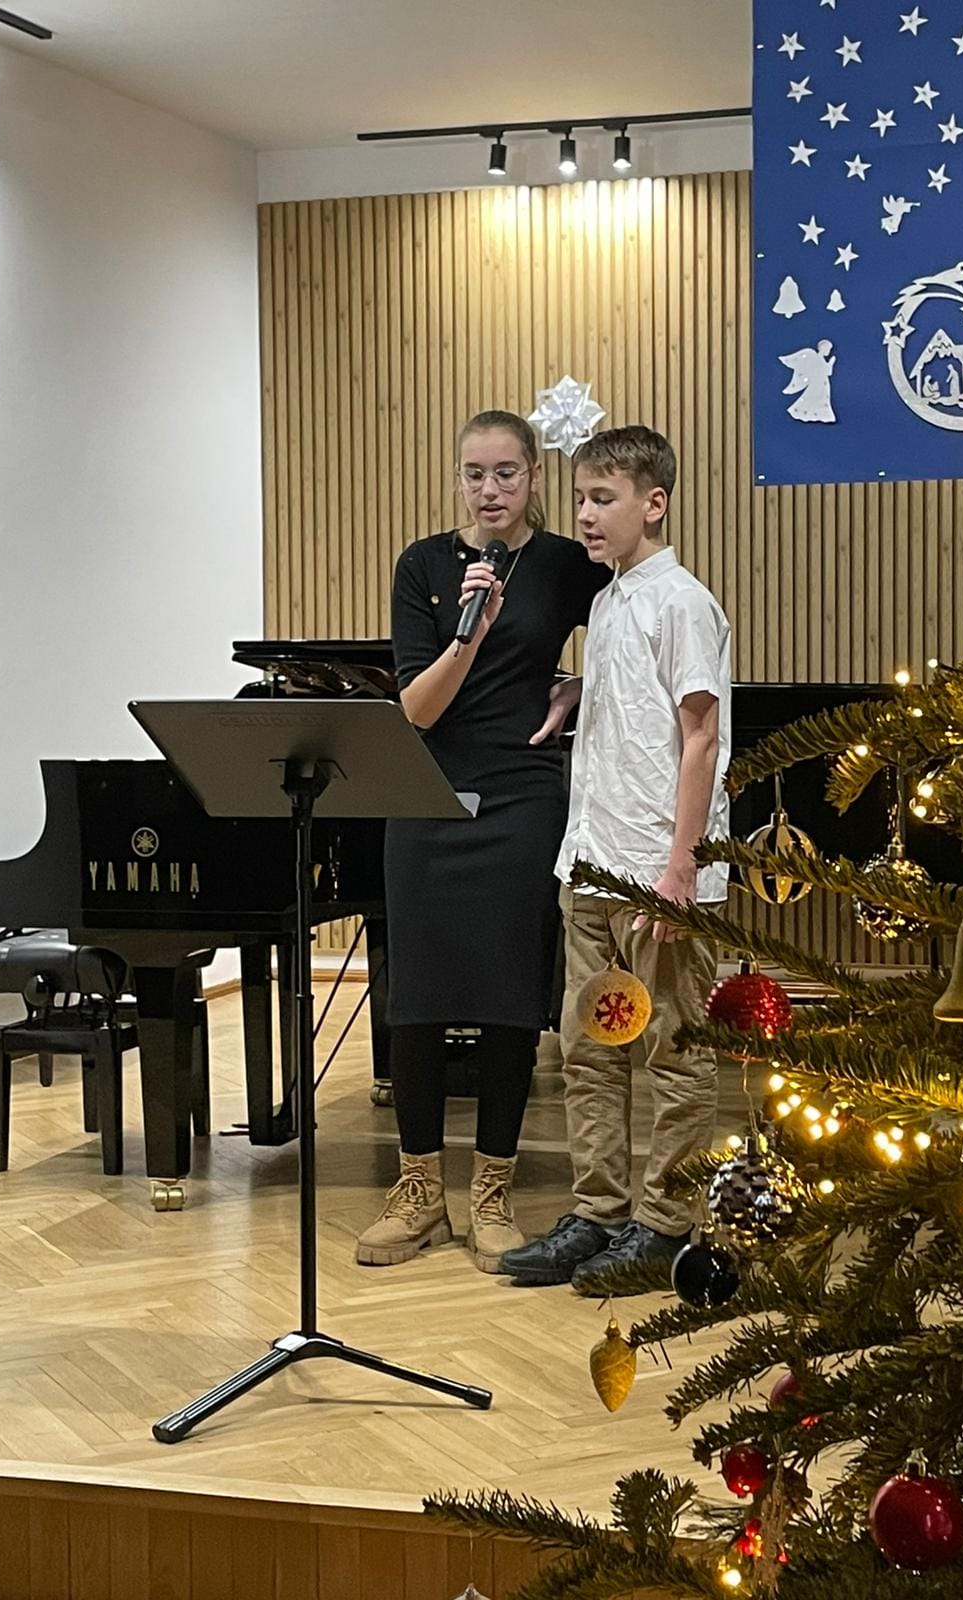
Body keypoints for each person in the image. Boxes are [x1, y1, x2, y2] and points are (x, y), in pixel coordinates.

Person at [356, 410, 610, 1273]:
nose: (490, 490)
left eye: (506, 473)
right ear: (458, 479)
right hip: (426, 790)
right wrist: (472, 628)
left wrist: (579, 684)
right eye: (475, 474)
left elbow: (632, 628)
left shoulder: (566, 564)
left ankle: (492, 1193)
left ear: (534, 476)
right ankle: (419, 1193)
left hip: (523, 795)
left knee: (509, 998)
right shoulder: (424, 566)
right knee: (417, 999)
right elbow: (416, 709)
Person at [500, 425, 731, 1287]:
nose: (586, 516)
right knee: (589, 1053)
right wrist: (580, 688)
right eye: (581, 500)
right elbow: (634, 702)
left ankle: (666, 1224)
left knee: (672, 1053)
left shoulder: (684, 603)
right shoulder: (607, 602)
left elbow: (700, 739)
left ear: (653, 502)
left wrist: (680, 870)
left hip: (658, 871)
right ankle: (598, 1212)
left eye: (604, 498)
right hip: (592, 862)